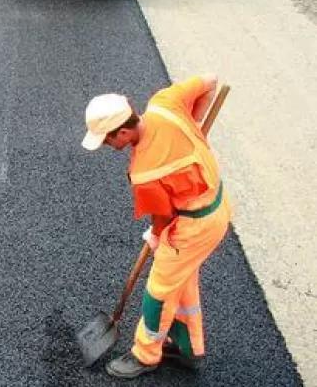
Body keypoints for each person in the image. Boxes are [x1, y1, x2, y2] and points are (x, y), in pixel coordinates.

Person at [81, 74, 232, 379]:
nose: (110, 147)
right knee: (181, 280)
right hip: (217, 204)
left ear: (122, 131)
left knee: (159, 291)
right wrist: (193, 129)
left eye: (109, 140)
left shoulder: (145, 171)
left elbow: (162, 218)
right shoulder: (164, 103)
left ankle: (146, 354)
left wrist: (155, 236)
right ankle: (189, 348)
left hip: (194, 226)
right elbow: (209, 82)